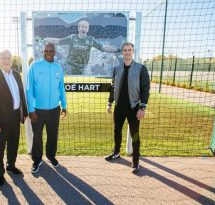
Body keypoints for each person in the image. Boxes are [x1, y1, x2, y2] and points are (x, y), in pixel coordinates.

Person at [0, 50, 28, 186]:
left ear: (12, 60)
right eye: (3, 58)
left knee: (13, 145)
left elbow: (21, 94)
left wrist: (24, 113)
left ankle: (10, 166)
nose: (6, 60)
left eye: (8, 58)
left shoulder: (16, 74)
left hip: (15, 117)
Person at [105, 42, 150, 173]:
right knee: (116, 131)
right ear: (122, 52)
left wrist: (142, 108)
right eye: (124, 50)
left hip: (134, 107)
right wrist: (109, 103)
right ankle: (116, 152)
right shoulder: (116, 69)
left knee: (135, 135)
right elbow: (113, 88)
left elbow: (145, 89)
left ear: (133, 51)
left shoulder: (141, 69)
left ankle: (135, 162)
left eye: (129, 50)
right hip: (119, 107)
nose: (127, 52)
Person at [27, 43, 67, 173]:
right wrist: (31, 109)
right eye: (46, 51)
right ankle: (36, 160)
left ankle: (51, 156)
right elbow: (29, 89)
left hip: (54, 109)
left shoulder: (58, 68)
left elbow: (61, 88)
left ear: (54, 52)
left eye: (51, 51)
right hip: (37, 110)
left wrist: (64, 105)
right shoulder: (34, 66)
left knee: (52, 135)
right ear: (42, 52)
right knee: (37, 137)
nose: (48, 53)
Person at [36, 20, 121, 75]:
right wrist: (44, 39)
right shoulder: (72, 37)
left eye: (86, 27)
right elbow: (57, 41)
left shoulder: (91, 40)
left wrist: (117, 50)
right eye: (82, 26)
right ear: (78, 28)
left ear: (88, 29)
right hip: (69, 66)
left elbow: (104, 47)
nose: (84, 28)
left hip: (82, 68)